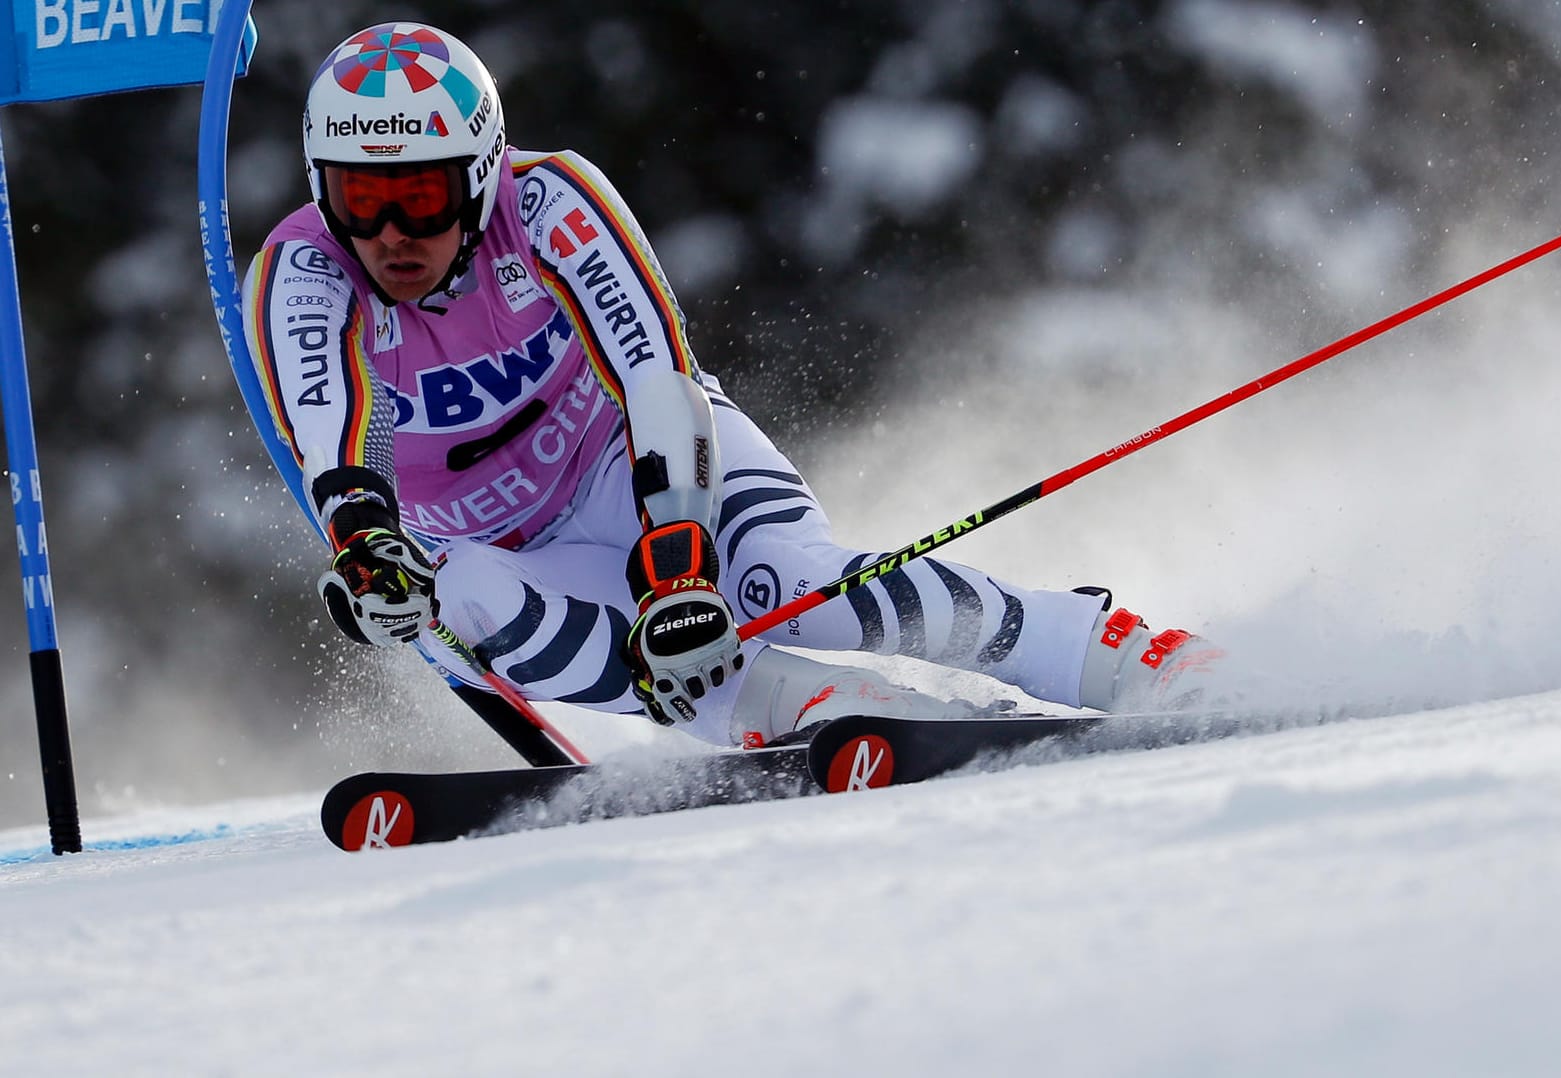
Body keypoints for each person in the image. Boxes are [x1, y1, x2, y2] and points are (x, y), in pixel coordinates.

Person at [242, 21, 1225, 754]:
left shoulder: (550, 205)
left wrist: (675, 564)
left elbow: (654, 377)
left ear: (483, 172)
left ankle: (1100, 649)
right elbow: (335, 445)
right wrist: (371, 554)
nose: (389, 236)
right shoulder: (300, 275)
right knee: (440, 596)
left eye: (419, 197)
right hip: (496, 549)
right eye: (359, 199)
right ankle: (810, 712)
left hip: (633, 470)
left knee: (787, 586)